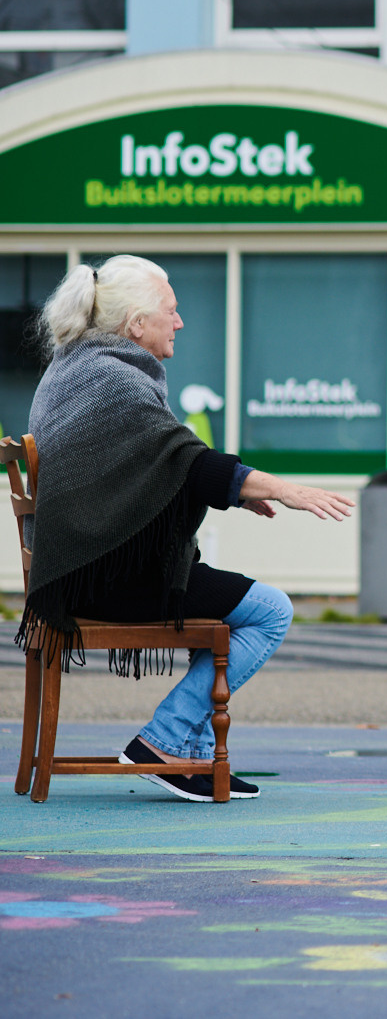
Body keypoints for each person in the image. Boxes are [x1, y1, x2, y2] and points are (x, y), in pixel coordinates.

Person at [17, 255, 352, 801]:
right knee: (270, 612)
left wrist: (236, 494)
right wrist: (283, 489)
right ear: (136, 326)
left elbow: (153, 467)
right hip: (105, 578)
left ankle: (189, 758)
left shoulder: (77, 367)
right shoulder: (113, 380)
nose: (179, 323)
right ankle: (165, 741)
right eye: (170, 313)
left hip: (86, 566)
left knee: (229, 608)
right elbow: (185, 459)